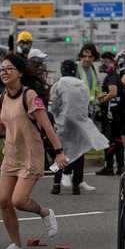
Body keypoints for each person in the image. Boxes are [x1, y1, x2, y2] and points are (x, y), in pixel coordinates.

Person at [0, 54, 66, 249]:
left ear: (19, 72)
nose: (4, 72)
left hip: (30, 157)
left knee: (18, 200)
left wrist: (59, 153)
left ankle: (45, 212)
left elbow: (47, 127)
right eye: (2, 69)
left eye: (9, 68)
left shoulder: (29, 96)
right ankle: (17, 245)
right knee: (3, 201)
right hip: (10, 156)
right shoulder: (2, 98)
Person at [49, 60, 107, 195]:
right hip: (79, 124)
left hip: (63, 123)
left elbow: (53, 106)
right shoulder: (82, 85)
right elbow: (86, 103)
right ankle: (76, 185)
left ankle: (56, 184)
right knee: (79, 152)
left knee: (61, 153)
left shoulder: (58, 85)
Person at [95, 52, 125, 176]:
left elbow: (113, 92)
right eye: (103, 62)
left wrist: (102, 99)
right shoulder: (115, 76)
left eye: (106, 62)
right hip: (117, 114)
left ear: (113, 63)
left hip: (111, 114)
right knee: (117, 140)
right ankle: (120, 166)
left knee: (109, 141)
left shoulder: (112, 76)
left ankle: (109, 166)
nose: (104, 64)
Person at [77, 43, 100, 119]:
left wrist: (100, 95)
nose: (87, 59)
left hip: (90, 109)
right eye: (84, 56)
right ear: (80, 57)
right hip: (78, 109)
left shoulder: (93, 69)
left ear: (94, 58)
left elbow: (96, 87)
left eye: (90, 57)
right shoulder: (75, 69)